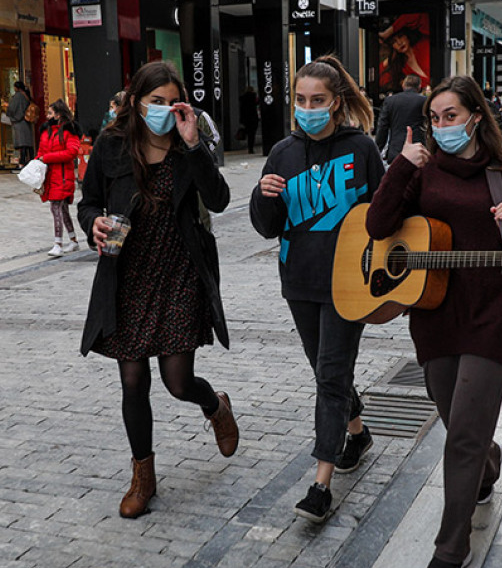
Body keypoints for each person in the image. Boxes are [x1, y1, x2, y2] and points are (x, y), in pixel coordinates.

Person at [366, 75, 502, 568]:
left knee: (461, 433)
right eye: (435, 118)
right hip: (436, 315)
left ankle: (452, 544)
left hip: (494, 315)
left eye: (451, 115)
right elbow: (378, 226)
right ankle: (489, 463)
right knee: (456, 420)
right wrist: (401, 164)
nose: (442, 126)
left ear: (476, 117)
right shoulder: (420, 173)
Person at [77, 60, 239, 519]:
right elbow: (87, 202)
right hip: (126, 274)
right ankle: (143, 476)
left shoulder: (189, 142)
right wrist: (94, 223)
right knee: (133, 381)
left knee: (177, 381)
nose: (164, 110)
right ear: (135, 102)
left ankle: (215, 405)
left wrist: (192, 146)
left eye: (173, 102)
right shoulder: (111, 145)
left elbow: (221, 199)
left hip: (180, 271)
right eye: (156, 102)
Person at [251, 55, 383, 524]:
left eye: (318, 100)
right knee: (325, 368)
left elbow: (383, 218)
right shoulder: (283, 153)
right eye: (301, 100)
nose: (308, 108)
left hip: (349, 283)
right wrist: (262, 196)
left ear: (336, 103)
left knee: (329, 374)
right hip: (299, 282)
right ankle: (358, 432)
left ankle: (321, 484)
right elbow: (268, 228)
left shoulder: (362, 149)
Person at [37, 99, 83, 257]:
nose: (48, 116)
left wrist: (47, 158)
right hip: (51, 176)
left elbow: (71, 152)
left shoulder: (69, 131)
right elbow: (41, 151)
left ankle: (58, 243)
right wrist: (37, 165)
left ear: (58, 114)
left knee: (56, 208)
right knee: (62, 209)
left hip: (63, 176)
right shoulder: (46, 132)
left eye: (50, 113)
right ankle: (73, 240)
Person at [376, 75, 427, 163]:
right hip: (418, 149)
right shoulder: (424, 101)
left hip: (396, 150)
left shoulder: (390, 101)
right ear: (419, 87)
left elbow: (382, 128)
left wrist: (378, 149)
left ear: (403, 85)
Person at [379, 14, 430, 93]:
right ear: (392, 47)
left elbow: (419, 16)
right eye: (394, 42)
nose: (399, 43)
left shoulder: (424, 44)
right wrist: (388, 61)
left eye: (400, 36)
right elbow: (379, 79)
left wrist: (391, 30)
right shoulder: (401, 66)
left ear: (406, 36)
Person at [7, 81, 35, 169]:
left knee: (22, 142)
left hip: (19, 122)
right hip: (26, 121)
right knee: (27, 143)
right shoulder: (26, 95)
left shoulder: (18, 96)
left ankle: (22, 162)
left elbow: (12, 108)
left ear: (16, 88)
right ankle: (30, 160)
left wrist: (8, 113)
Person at [239, 85, 260, 154]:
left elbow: (241, 109)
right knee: (252, 134)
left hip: (246, 118)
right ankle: (251, 148)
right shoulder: (254, 97)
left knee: (248, 132)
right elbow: (257, 103)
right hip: (253, 117)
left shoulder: (243, 98)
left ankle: (249, 146)